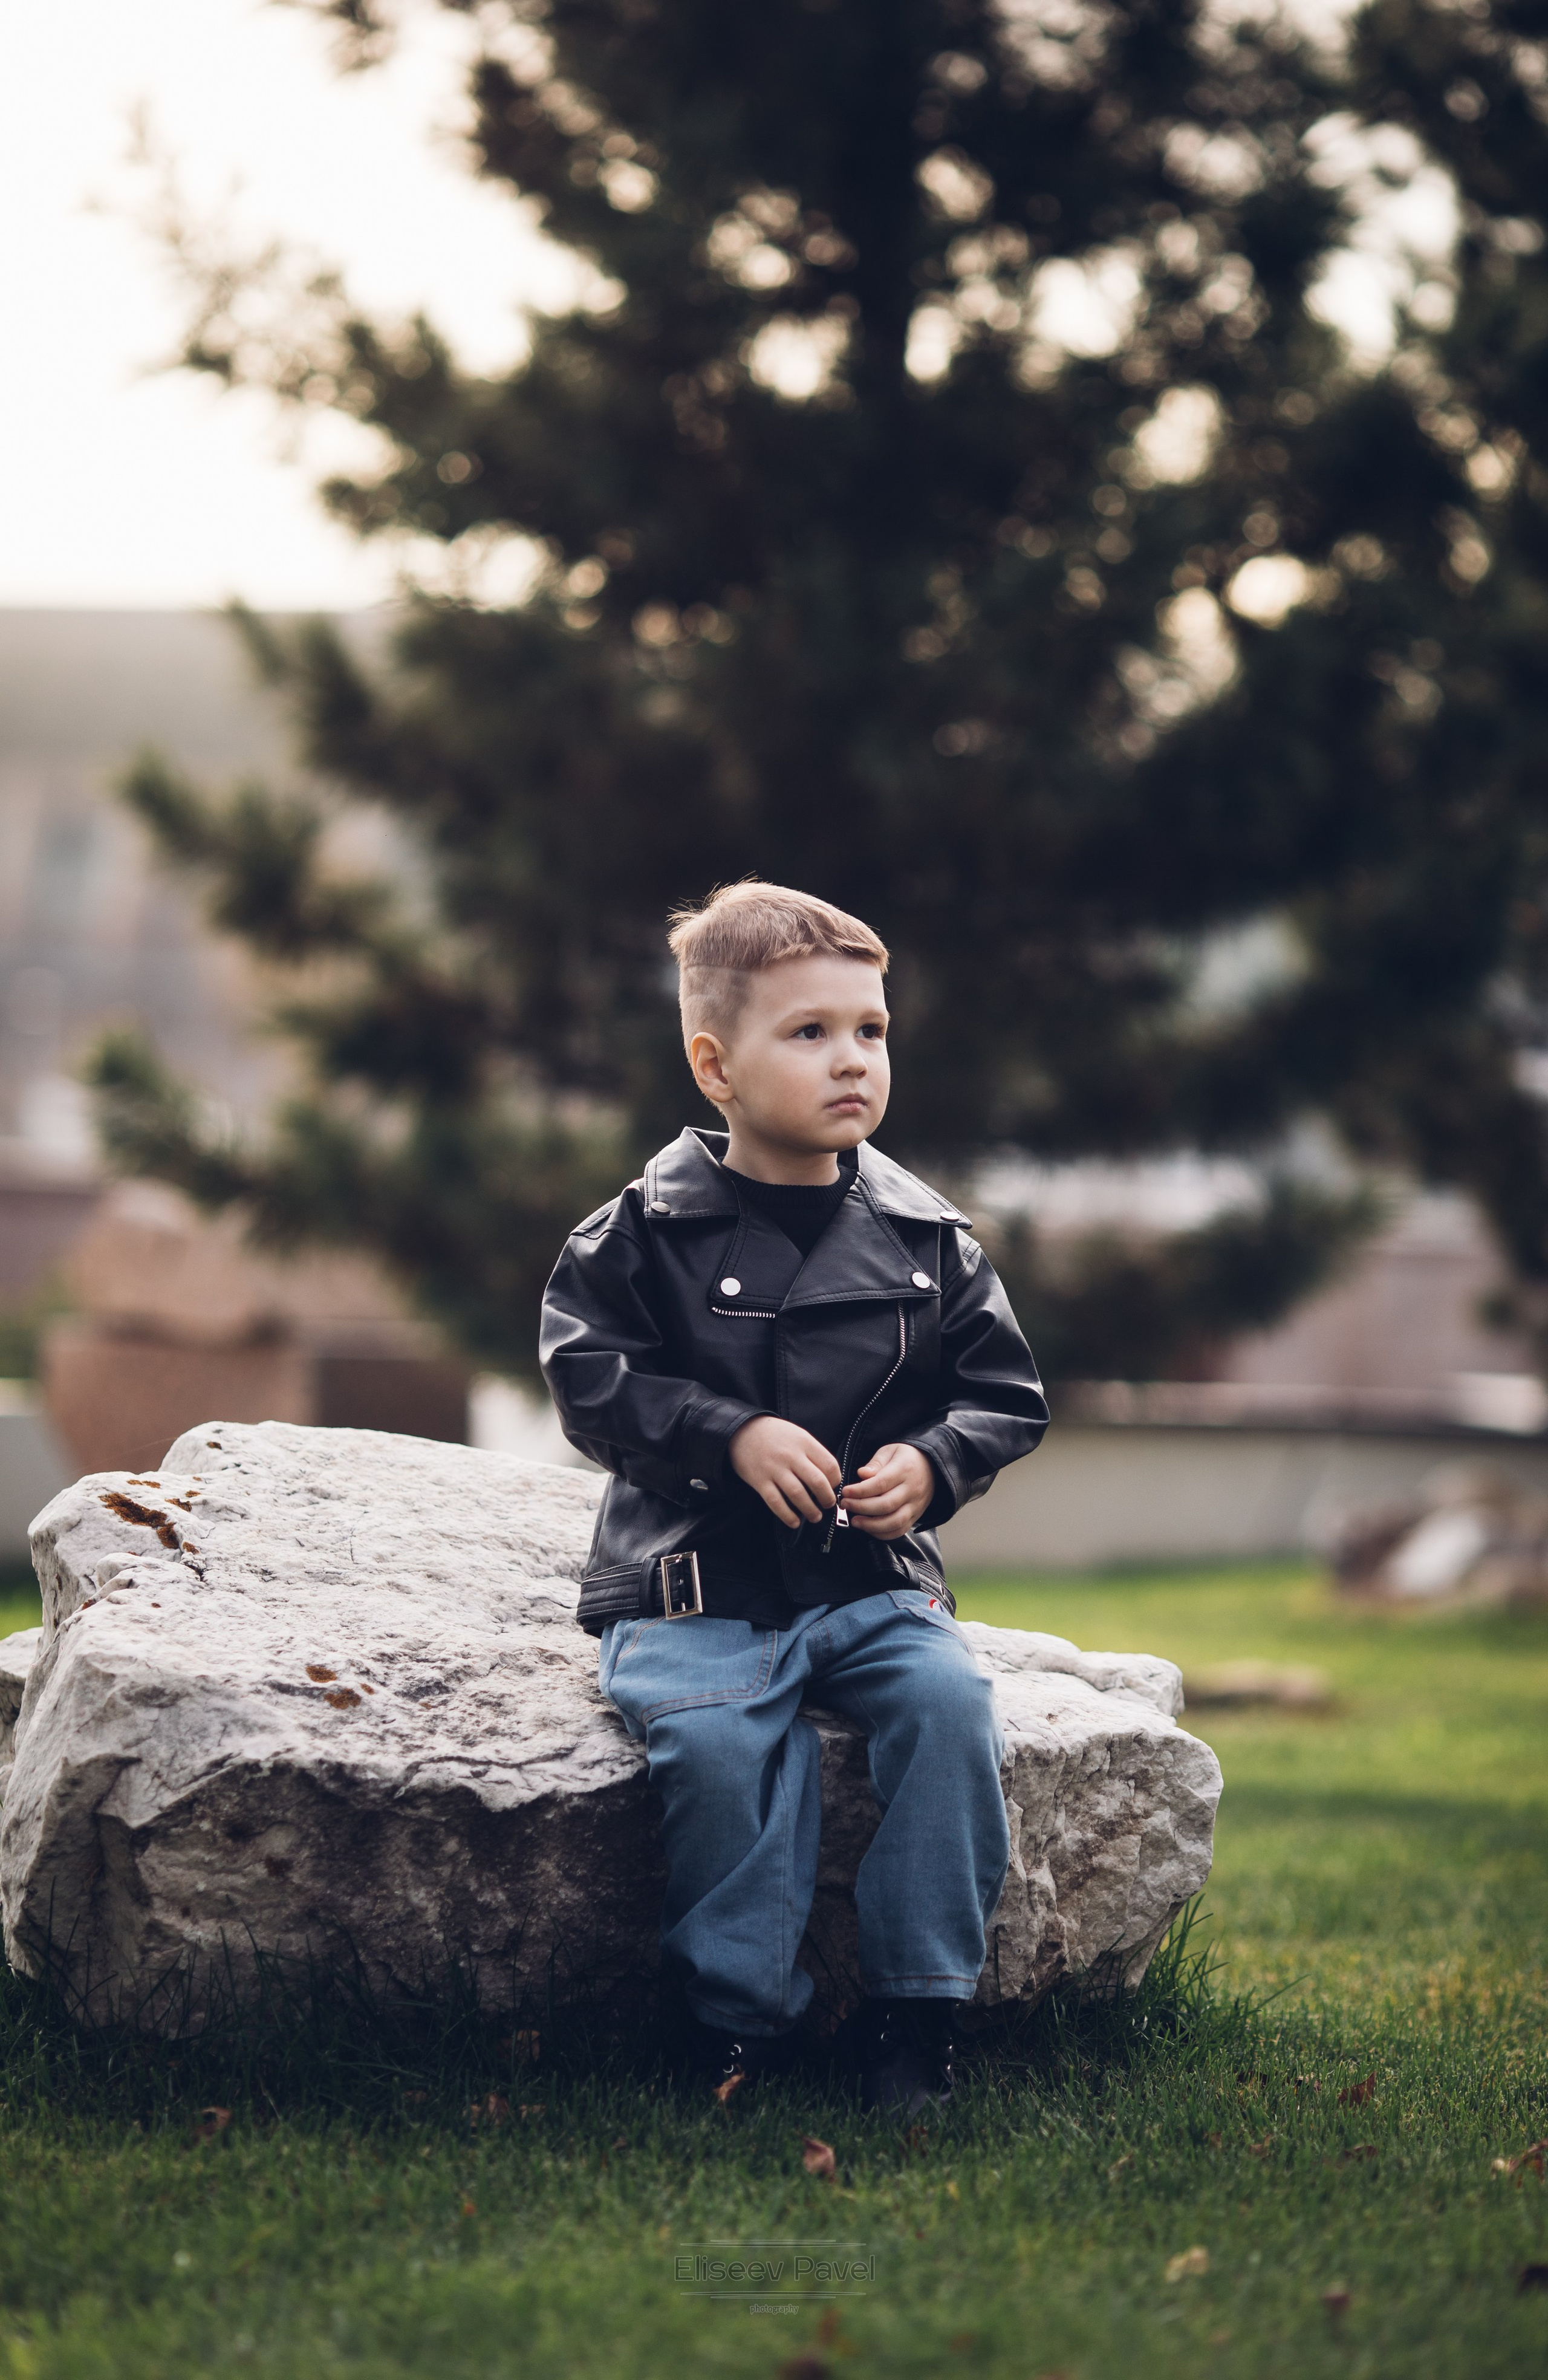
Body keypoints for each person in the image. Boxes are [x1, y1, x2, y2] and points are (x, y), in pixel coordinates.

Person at [539, 882, 1049, 2113]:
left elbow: (1002, 1392)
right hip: (691, 1584)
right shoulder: (632, 1239)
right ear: (713, 1064)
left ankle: (917, 2015)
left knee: (949, 1710)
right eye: (807, 1033)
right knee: (721, 1750)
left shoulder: (929, 1241)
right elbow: (591, 1383)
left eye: (869, 1032)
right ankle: (739, 2032)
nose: (851, 1062)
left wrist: (932, 1464)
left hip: (867, 1583)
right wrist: (727, 1432)